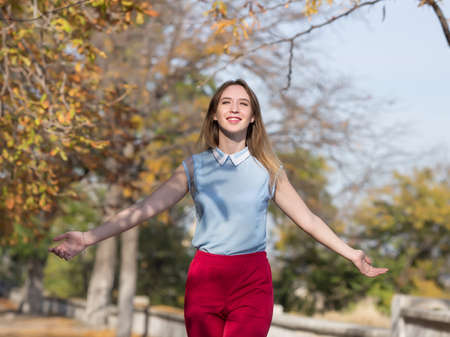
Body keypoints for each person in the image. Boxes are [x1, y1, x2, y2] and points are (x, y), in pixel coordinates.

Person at [48, 79, 388, 337]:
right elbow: (144, 209)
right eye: (226, 102)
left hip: (252, 280)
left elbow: (309, 220)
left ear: (253, 117)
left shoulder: (269, 170)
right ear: (215, 113)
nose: (235, 107)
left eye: (243, 103)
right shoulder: (194, 167)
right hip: (205, 279)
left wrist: (351, 253)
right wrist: (87, 237)